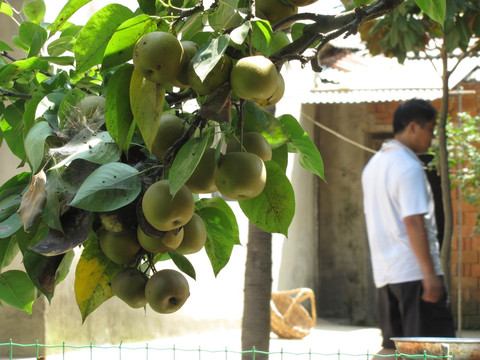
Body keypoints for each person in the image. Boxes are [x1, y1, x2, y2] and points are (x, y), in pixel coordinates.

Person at [361, 99, 455, 357]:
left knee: (393, 349)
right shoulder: (408, 166)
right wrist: (430, 275)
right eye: (431, 129)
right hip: (415, 275)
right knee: (433, 351)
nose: (433, 137)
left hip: (386, 275)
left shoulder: (374, 166)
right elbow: (413, 221)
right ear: (413, 127)